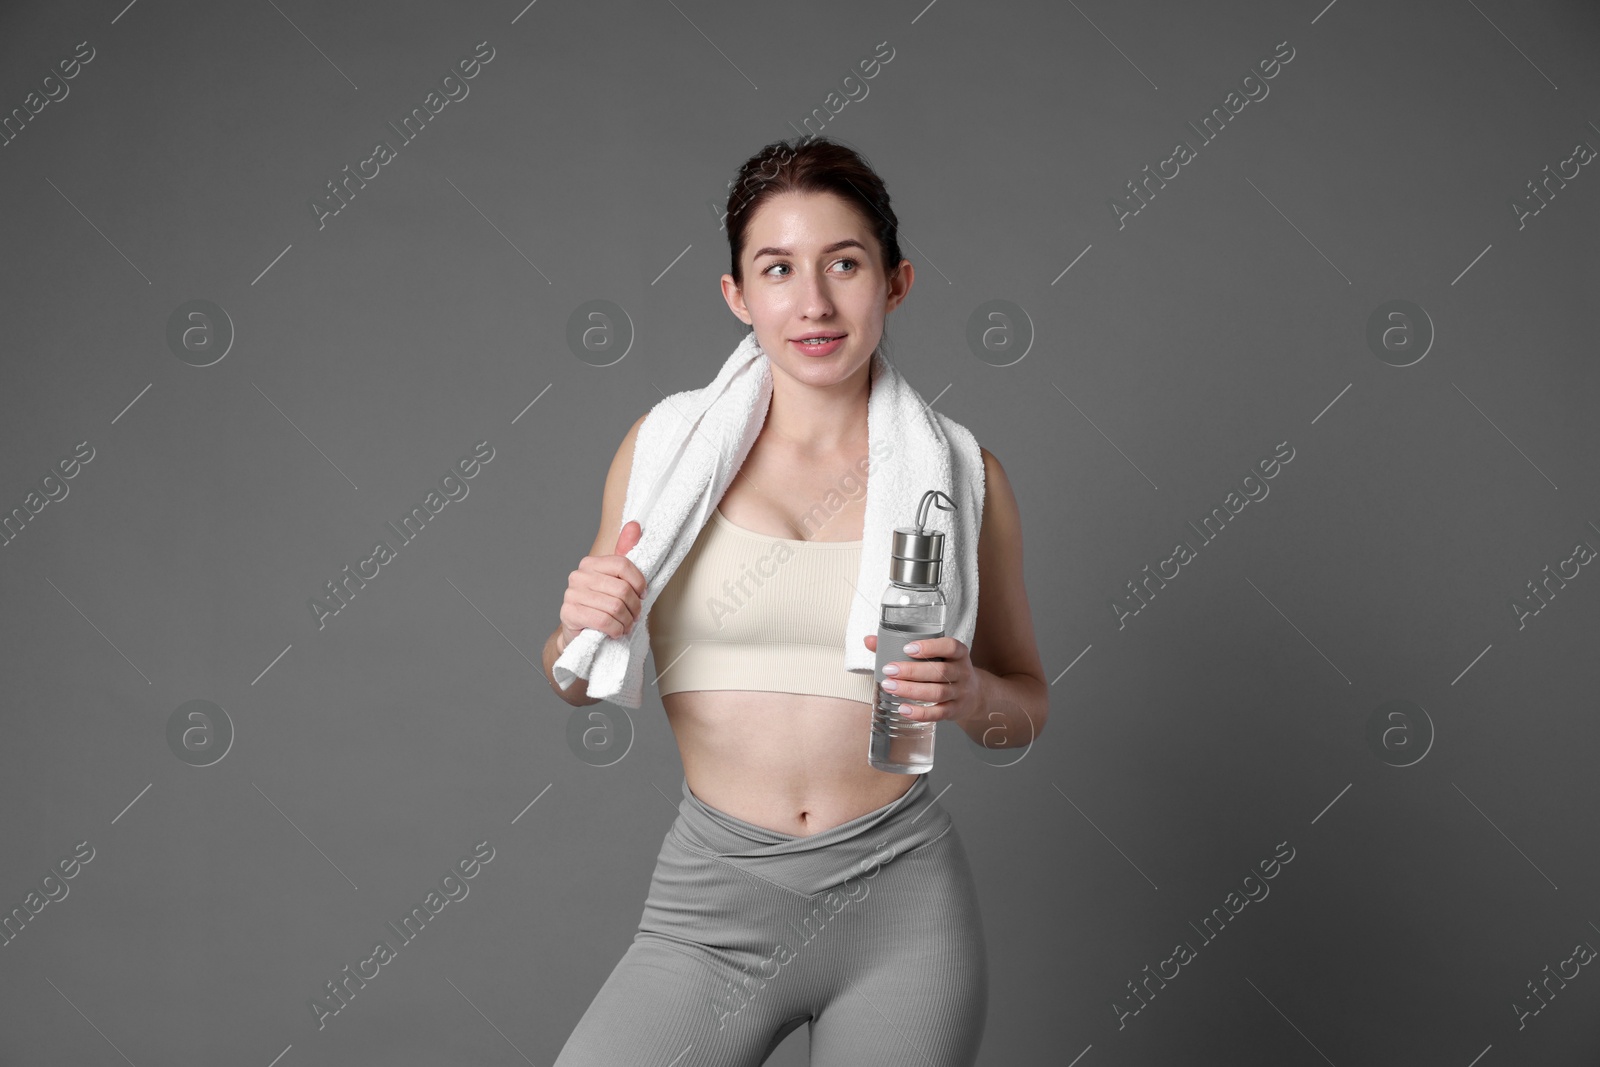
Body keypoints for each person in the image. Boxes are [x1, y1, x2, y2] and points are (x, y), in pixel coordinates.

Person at [543, 136, 1049, 1066]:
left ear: (894, 283)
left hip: (902, 906)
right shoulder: (661, 453)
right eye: (778, 269)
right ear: (739, 295)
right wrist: (576, 627)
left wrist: (975, 697)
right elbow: (573, 677)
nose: (813, 302)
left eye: (843, 265)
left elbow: (1026, 711)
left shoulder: (965, 477)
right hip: (713, 903)